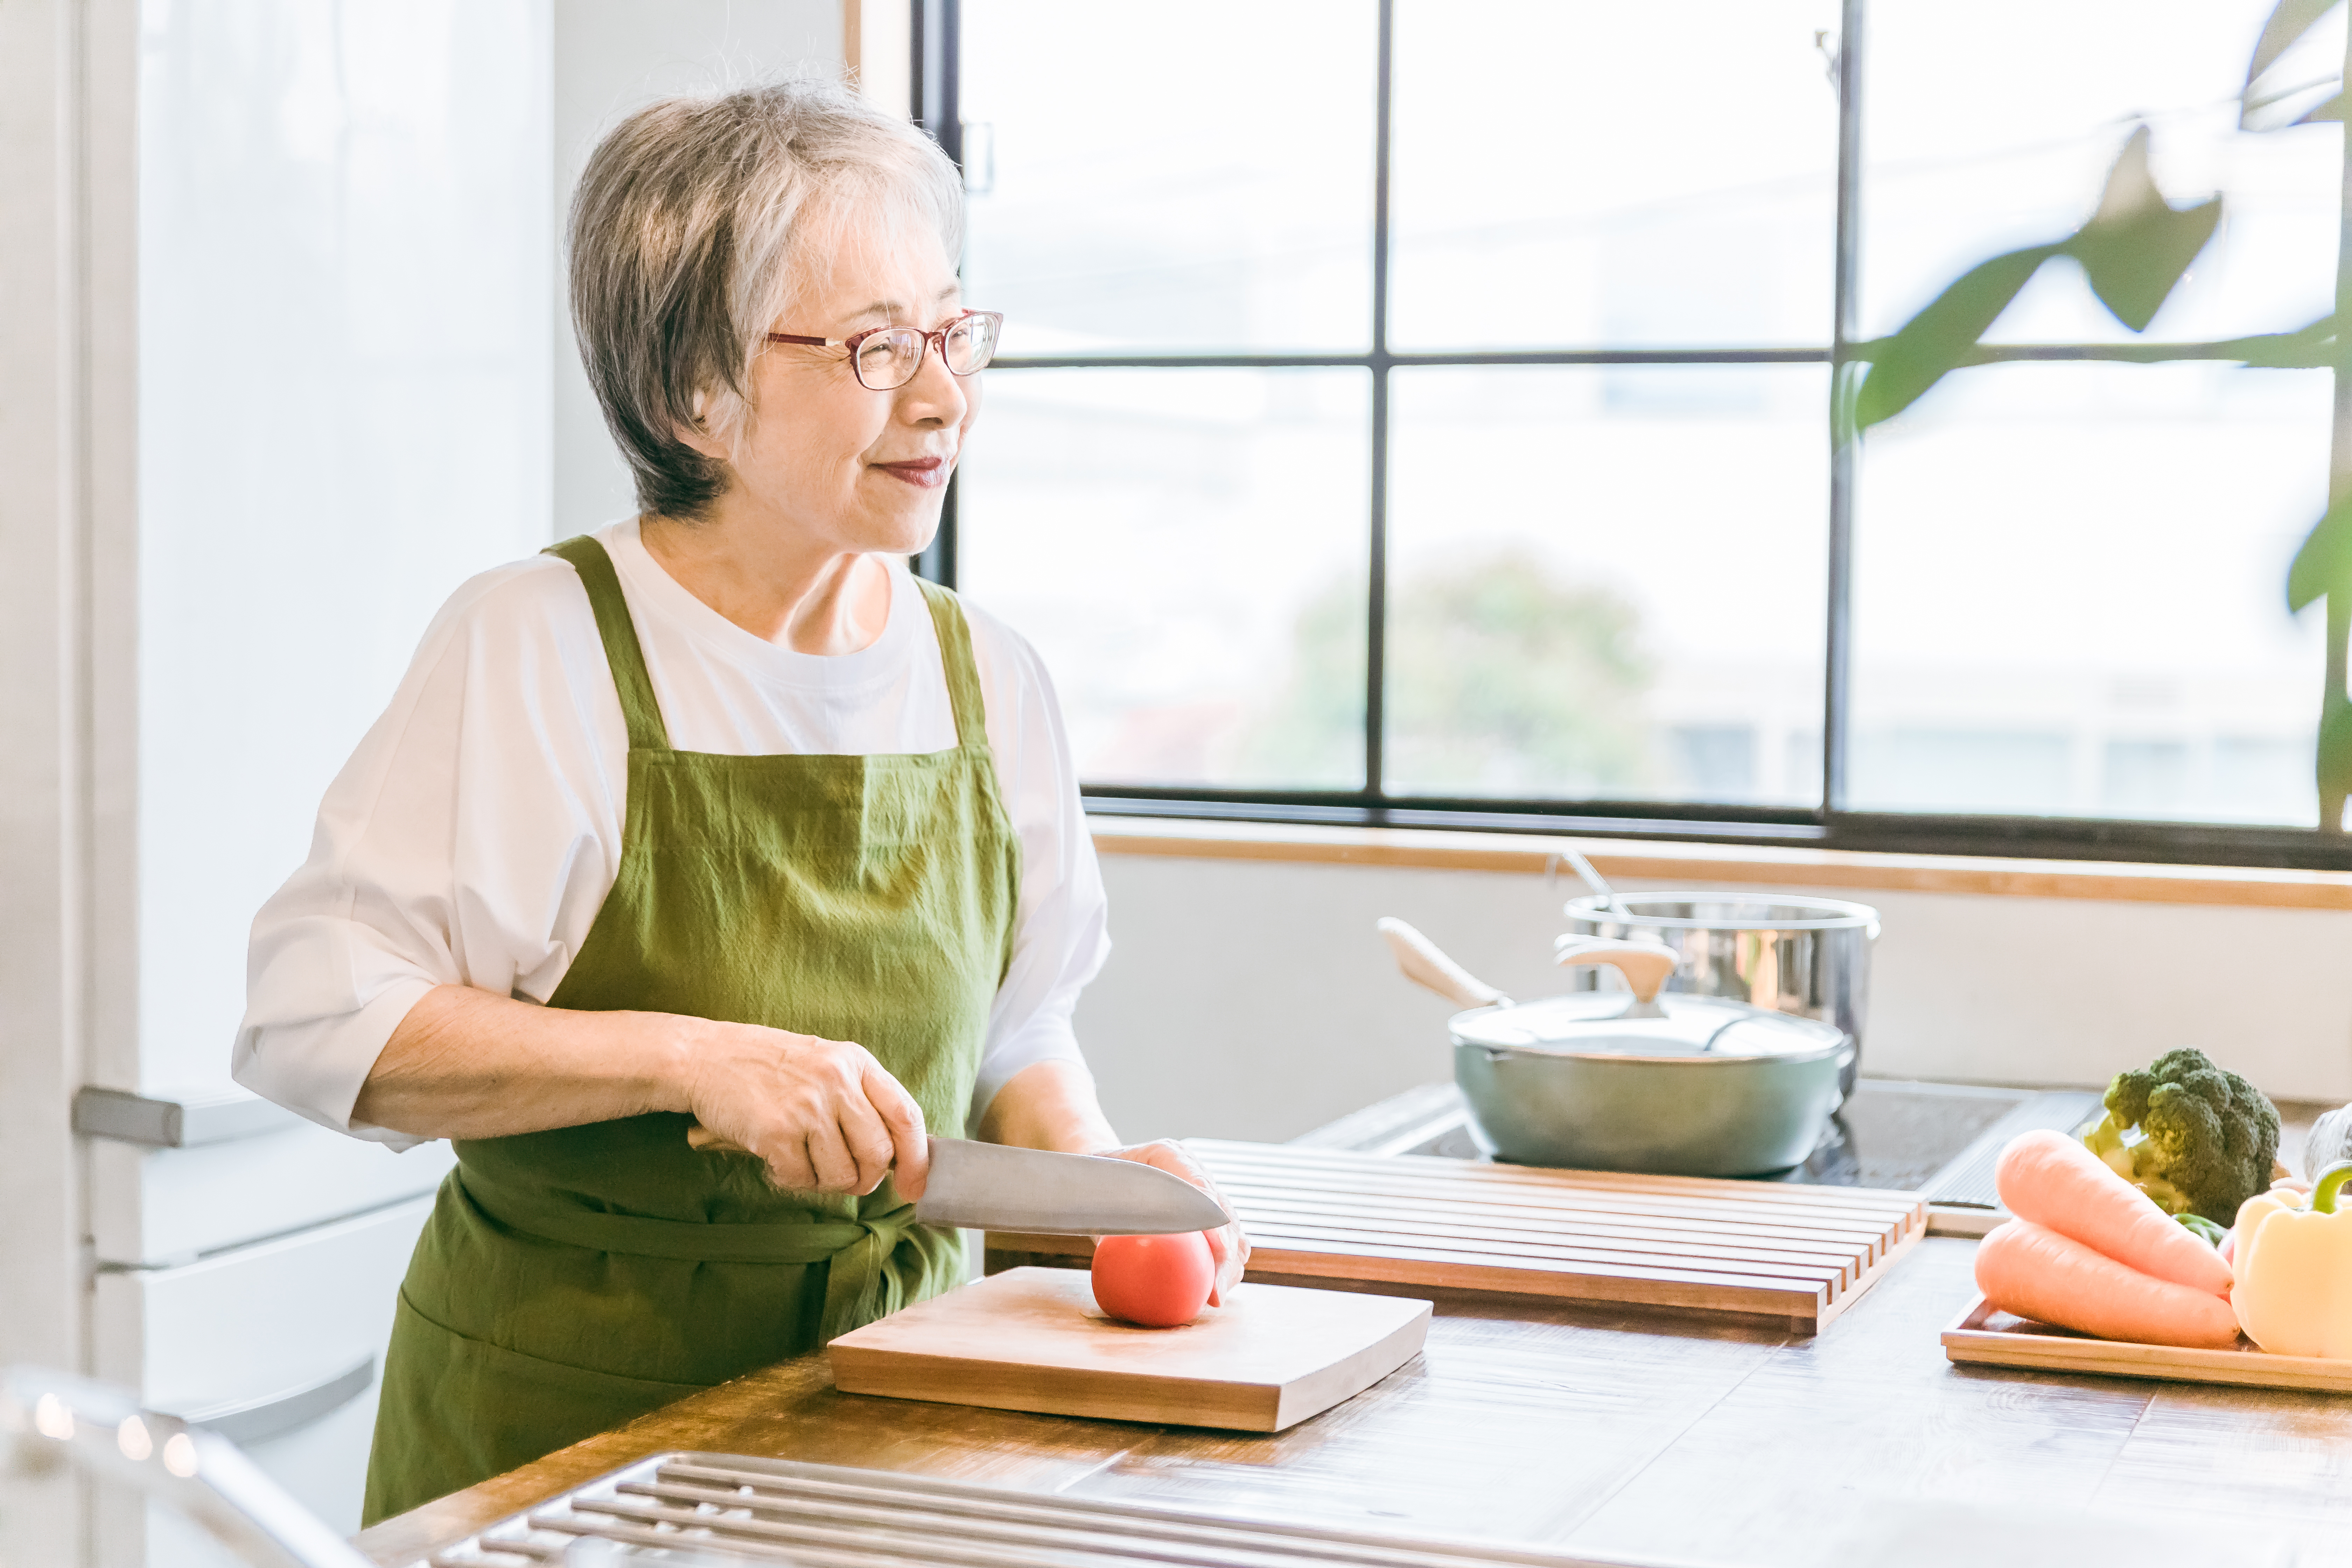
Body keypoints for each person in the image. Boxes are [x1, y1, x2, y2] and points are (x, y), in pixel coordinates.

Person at [232, 75, 1247, 1526]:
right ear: (692, 392)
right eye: (876, 347)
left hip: (901, 1415)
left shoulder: (988, 676)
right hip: (567, 1438)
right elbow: (319, 1022)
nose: (946, 395)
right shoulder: (539, 641)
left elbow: (1018, 1030)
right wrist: (693, 1058)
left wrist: (1094, 1187)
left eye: (951, 332)